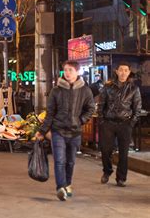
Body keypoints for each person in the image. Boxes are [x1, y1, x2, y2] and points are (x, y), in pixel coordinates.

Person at [35, 60, 95, 201]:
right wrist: (42, 131)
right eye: (65, 70)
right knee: (59, 160)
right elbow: (50, 113)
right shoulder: (56, 90)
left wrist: (80, 120)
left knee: (71, 161)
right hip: (58, 131)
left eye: (70, 70)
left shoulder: (85, 90)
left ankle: (68, 184)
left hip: (75, 132)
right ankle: (60, 187)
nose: (67, 73)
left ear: (77, 72)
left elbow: (90, 108)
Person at [98, 62, 141, 187]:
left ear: (129, 72)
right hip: (108, 123)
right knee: (105, 150)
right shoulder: (108, 87)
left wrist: (131, 123)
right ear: (116, 71)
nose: (123, 72)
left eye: (126, 70)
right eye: (121, 70)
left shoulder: (134, 89)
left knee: (124, 153)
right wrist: (102, 120)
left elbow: (137, 109)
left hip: (125, 124)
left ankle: (121, 178)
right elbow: (101, 105)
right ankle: (107, 171)